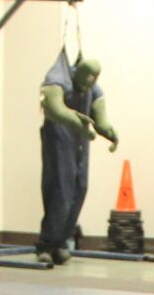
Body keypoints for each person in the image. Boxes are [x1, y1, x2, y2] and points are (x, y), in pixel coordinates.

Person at [38, 55, 117, 266]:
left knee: (80, 188)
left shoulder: (93, 89)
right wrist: (76, 123)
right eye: (88, 77)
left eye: (95, 78)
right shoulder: (58, 78)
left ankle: (61, 242)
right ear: (78, 72)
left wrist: (109, 132)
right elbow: (55, 108)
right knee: (60, 190)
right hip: (58, 139)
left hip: (80, 144)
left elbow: (100, 117)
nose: (91, 81)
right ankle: (47, 244)